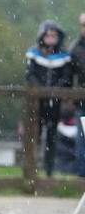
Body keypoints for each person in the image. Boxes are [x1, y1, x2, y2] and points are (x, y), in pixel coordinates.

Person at [25, 20, 73, 176]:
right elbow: (30, 75)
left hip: (55, 102)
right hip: (37, 102)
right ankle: (32, 169)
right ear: (42, 36)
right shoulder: (34, 54)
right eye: (48, 35)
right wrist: (42, 91)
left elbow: (66, 79)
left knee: (52, 137)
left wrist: (53, 91)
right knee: (34, 135)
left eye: (54, 36)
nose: (51, 38)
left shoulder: (64, 56)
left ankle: (49, 170)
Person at [70, 12, 85, 177]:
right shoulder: (76, 47)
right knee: (82, 141)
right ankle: (81, 179)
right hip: (82, 100)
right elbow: (69, 74)